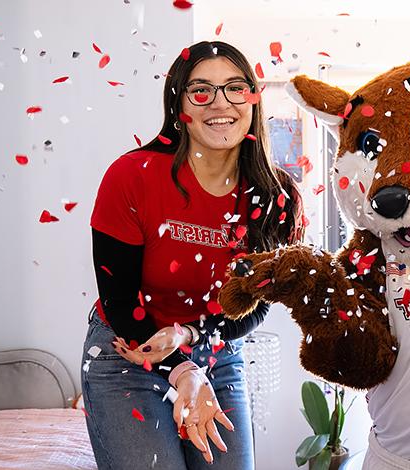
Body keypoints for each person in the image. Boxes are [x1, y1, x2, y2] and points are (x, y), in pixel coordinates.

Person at [81, 41, 304, 470]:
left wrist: (188, 339)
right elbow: (120, 300)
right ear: (179, 104)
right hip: (127, 351)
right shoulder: (131, 177)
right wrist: (182, 371)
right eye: (201, 91)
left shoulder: (280, 197)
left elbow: (253, 308)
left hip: (214, 351)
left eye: (235, 88)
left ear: (253, 99)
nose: (220, 103)